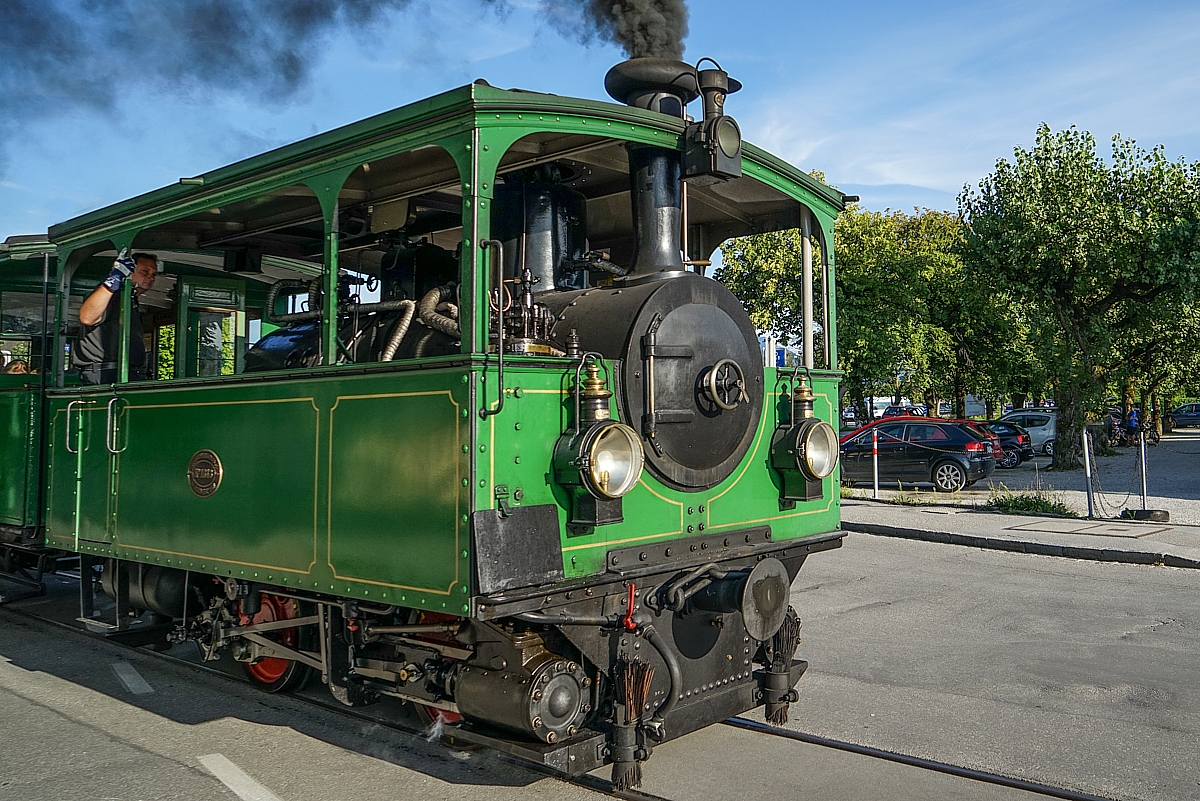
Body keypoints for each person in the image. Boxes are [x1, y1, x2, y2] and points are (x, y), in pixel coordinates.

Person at [74, 249, 158, 385]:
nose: (151, 277)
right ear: (130, 271)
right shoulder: (113, 295)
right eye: (145, 271)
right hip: (105, 374)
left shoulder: (131, 300)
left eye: (154, 274)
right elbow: (87, 317)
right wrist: (113, 279)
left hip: (124, 372)